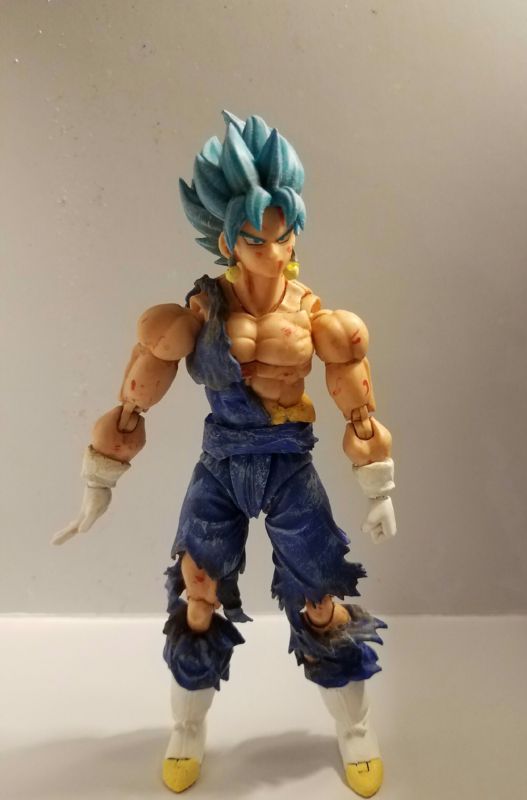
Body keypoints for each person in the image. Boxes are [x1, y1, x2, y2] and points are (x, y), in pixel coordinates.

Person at [53, 111, 397, 798]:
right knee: (198, 596)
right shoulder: (201, 310)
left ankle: (355, 727)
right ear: (226, 239)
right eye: (255, 237)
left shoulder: (317, 317)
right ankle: (187, 728)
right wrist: (100, 480)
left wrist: (378, 486)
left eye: (284, 232)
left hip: (288, 464)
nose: (274, 248)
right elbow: (136, 396)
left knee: (321, 600)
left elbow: (356, 404)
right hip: (222, 464)